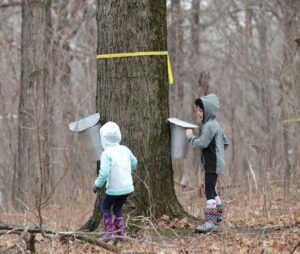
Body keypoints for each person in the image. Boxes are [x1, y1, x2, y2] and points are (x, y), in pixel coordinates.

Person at [185, 93, 228, 233]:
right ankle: (218, 219)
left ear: (206, 111)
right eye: (197, 109)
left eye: (200, 110)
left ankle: (210, 223)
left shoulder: (209, 126)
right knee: (212, 188)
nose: (198, 112)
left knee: (209, 189)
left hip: (212, 163)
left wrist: (190, 137)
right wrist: (218, 151)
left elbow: (202, 143)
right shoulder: (216, 124)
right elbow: (225, 142)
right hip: (216, 162)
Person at [92, 121, 138, 242]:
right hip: (127, 187)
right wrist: (129, 169)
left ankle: (109, 233)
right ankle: (121, 233)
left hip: (114, 188)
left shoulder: (106, 153)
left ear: (103, 139)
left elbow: (105, 172)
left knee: (105, 207)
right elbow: (134, 163)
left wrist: (97, 184)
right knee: (117, 208)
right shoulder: (125, 149)